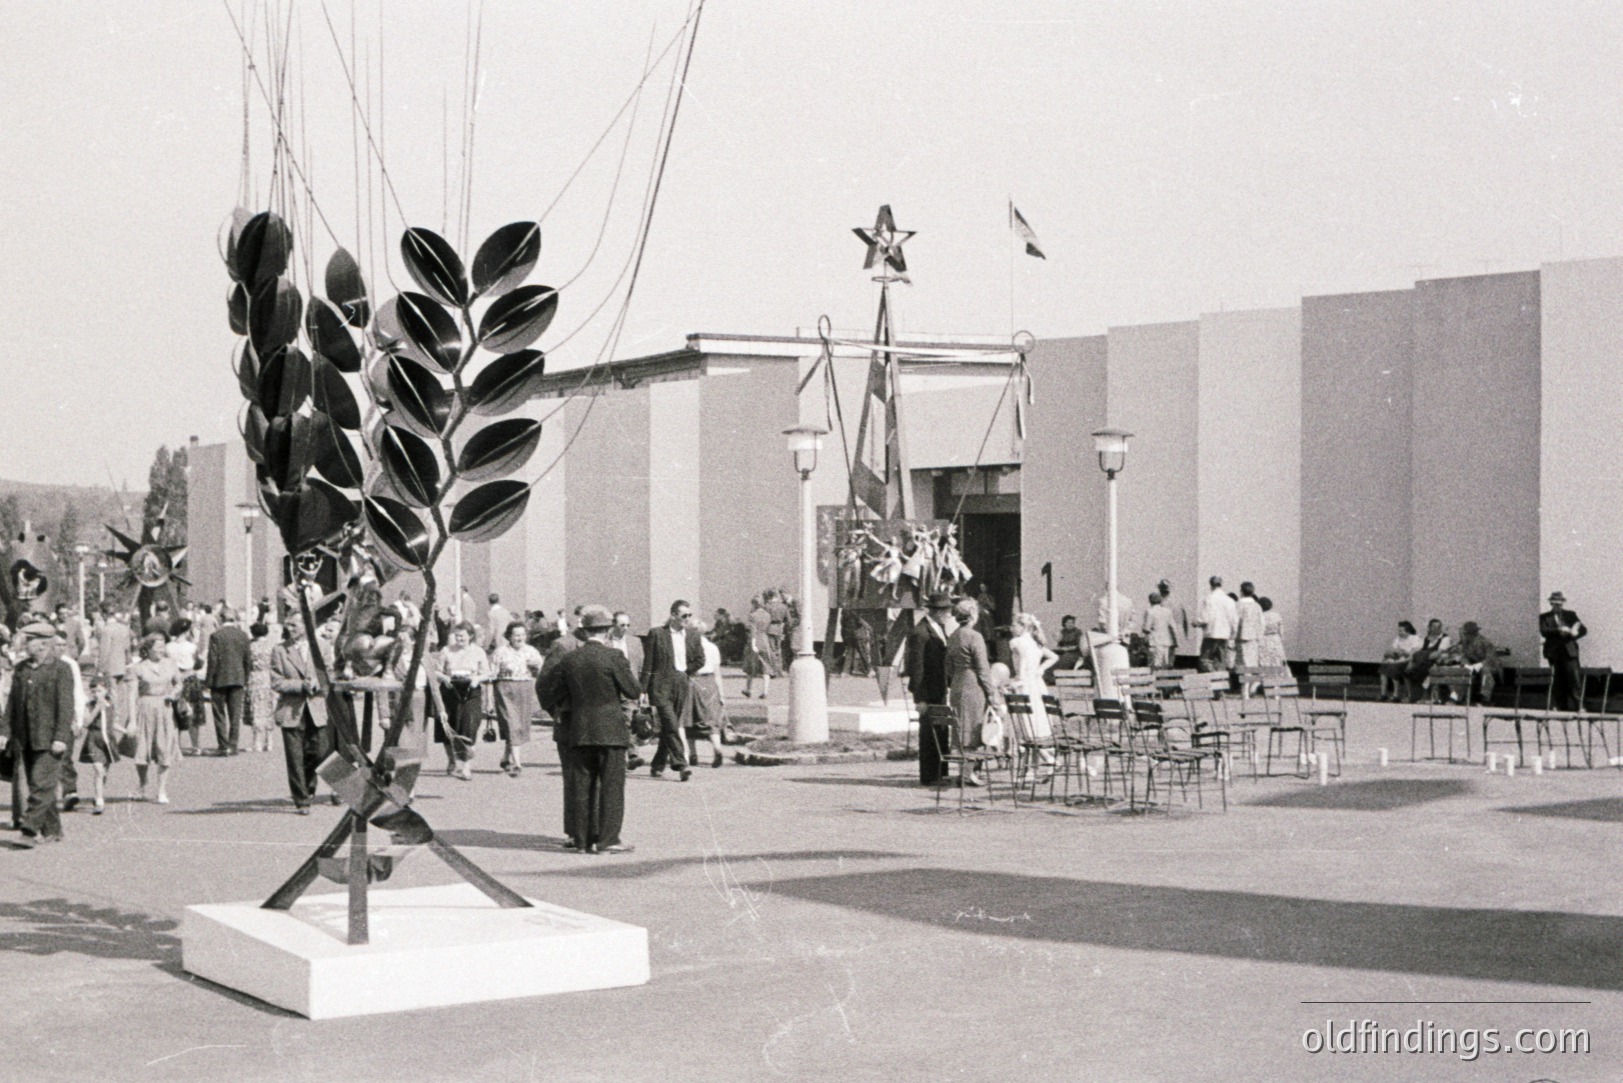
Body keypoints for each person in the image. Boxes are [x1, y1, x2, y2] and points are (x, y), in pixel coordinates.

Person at [537, 605, 641, 854]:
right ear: (607, 631)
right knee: (611, 787)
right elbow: (633, 691)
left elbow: (551, 691)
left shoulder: (570, 658)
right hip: (611, 731)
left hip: (579, 730)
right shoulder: (614, 657)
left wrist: (562, 712)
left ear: (584, 632)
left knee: (582, 785)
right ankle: (608, 840)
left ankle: (582, 841)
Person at [1, 622, 76, 845]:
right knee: (39, 783)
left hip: (51, 739)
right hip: (25, 738)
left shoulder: (60, 669)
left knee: (42, 784)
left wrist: (61, 737)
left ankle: (30, 829)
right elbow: (12, 704)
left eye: (29, 640)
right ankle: (53, 830)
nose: (25, 644)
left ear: (43, 644)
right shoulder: (22, 668)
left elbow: (66, 706)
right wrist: (4, 732)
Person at [269, 620, 333, 813]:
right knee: (295, 756)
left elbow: (330, 673)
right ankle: (301, 799)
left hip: (316, 708)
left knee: (319, 752)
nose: (290, 628)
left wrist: (319, 683)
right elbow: (276, 681)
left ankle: (309, 787)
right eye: (288, 624)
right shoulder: (280, 650)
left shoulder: (322, 646)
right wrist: (300, 686)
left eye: (295, 624)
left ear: (307, 625)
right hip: (291, 709)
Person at [640, 600, 703, 781]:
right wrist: (643, 689)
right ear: (673, 615)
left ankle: (658, 764)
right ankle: (681, 764)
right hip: (660, 685)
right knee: (671, 723)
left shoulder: (693, 635)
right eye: (684, 615)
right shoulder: (657, 634)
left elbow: (700, 659)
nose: (688, 619)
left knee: (670, 726)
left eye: (690, 615)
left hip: (681, 684)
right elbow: (648, 663)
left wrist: (685, 672)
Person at [946, 597, 998, 786]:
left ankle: (964, 771)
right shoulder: (975, 636)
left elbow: (948, 667)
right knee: (975, 729)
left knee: (961, 728)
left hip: (958, 685)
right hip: (973, 685)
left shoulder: (953, 636)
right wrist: (991, 693)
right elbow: (983, 668)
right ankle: (969, 773)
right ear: (972, 615)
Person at [903, 592, 953, 786]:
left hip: (939, 689)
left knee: (941, 731)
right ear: (933, 611)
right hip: (927, 691)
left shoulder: (939, 629)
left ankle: (941, 773)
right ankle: (930, 775)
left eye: (947, 609)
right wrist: (919, 698)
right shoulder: (920, 633)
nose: (947, 613)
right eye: (943, 610)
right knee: (929, 733)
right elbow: (916, 668)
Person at [129, 632, 181, 804]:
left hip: (164, 710)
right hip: (144, 709)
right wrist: (132, 719)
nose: (161, 650)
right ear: (148, 649)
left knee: (164, 749)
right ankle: (142, 782)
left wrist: (173, 693)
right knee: (142, 750)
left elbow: (179, 683)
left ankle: (161, 790)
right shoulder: (139, 667)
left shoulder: (170, 664)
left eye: (163, 646)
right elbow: (132, 695)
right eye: (157, 647)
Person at [435, 622, 490, 780]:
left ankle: (466, 767)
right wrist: (445, 678)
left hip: (471, 693)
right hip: (450, 692)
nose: (459, 639)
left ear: (471, 636)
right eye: (457, 636)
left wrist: (477, 678)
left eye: (463, 636)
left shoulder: (478, 652)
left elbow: (487, 673)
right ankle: (452, 760)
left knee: (469, 727)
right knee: (447, 729)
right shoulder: (446, 650)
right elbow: (436, 671)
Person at [489, 621, 542, 777]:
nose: (520, 638)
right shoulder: (500, 652)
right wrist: (488, 699)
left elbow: (540, 672)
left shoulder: (531, 651)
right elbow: (491, 675)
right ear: (509, 636)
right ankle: (517, 764)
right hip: (505, 689)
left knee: (518, 726)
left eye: (522, 634)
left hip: (524, 688)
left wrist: (536, 667)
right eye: (516, 635)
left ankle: (506, 758)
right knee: (511, 724)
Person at [204, 606, 252, 756]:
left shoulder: (216, 636)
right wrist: (246, 677)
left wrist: (208, 681)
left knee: (219, 714)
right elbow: (248, 659)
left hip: (219, 678)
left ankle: (223, 746)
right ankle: (233, 745)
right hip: (238, 678)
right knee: (235, 714)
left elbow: (213, 660)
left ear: (221, 618)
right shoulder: (243, 635)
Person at [1008, 612, 1059, 750]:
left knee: (1024, 719)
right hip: (1037, 684)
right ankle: (1039, 753)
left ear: (1023, 627)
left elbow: (1023, 661)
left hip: (1025, 683)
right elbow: (1054, 657)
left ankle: (1026, 750)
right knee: (1036, 718)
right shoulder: (1035, 643)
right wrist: (1040, 669)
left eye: (1014, 625)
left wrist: (1019, 679)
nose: (1011, 628)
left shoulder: (1016, 642)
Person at [686, 620, 728, 768]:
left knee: (689, 717)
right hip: (710, 682)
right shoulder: (713, 647)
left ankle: (692, 754)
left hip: (693, 681)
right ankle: (717, 748)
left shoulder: (687, 647)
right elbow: (718, 673)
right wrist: (722, 695)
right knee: (711, 717)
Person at [1539, 591, 1587, 711]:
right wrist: (1559, 630)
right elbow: (1544, 631)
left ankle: (1579, 706)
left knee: (1574, 679)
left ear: (1563, 603)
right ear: (1551, 603)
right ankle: (1561, 706)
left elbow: (1583, 630)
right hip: (1554, 652)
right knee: (1557, 680)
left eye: (1560, 604)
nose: (1558, 606)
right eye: (1555, 604)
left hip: (1569, 651)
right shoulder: (1544, 617)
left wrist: (1574, 633)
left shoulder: (1571, 615)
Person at [76, 674, 116, 814]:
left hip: (107, 740)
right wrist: (97, 709)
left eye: (99, 691)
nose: (96, 694)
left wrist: (126, 730)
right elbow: (86, 722)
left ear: (106, 690)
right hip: (94, 739)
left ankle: (98, 794)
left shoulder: (111, 704)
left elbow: (112, 723)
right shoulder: (89, 705)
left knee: (104, 771)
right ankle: (99, 801)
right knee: (98, 769)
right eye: (93, 691)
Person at [166, 618, 205, 755]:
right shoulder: (192, 647)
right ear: (188, 631)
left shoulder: (168, 647)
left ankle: (176, 745)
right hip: (189, 679)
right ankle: (196, 745)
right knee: (193, 713)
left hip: (173, 681)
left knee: (175, 713)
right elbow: (198, 663)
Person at [1445, 620, 1502, 704]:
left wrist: (1477, 666)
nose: (1464, 636)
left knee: (1485, 671)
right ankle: (1456, 696)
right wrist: (1466, 665)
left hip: (1491, 667)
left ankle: (1484, 697)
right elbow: (1464, 656)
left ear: (1472, 633)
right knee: (1457, 671)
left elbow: (1490, 659)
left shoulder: (1485, 642)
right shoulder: (1466, 643)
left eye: (1466, 634)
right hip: (1473, 666)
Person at [1195, 576, 1238, 675]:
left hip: (1211, 634)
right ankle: (1220, 685)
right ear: (1221, 584)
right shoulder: (1229, 600)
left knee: (1205, 660)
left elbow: (1205, 618)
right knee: (1221, 661)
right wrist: (1233, 634)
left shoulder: (1209, 598)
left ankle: (1210, 678)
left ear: (1210, 584)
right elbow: (1233, 620)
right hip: (1224, 635)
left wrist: (1197, 623)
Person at [246, 622, 277, 751]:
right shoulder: (273, 646)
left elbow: (247, 662)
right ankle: (269, 741)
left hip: (255, 677)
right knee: (270, 708)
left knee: (256, 709)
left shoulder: (250, 646)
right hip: (269, 678)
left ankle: (257, 742)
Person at [1404, 619, 1451, 700]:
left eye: (1439, 627)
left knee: (1419, 670)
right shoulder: (1426, 639)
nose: (1438, 628)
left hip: (1434, 662)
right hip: (1422, 661)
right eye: (1434, 627)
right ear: (1429, 627)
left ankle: (1422, 697)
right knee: (1407, 670)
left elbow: (1437, 654)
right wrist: (1414, 659)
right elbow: (1417, 651)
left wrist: (1422, 655)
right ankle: (1411, 695)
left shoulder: (1445, 638)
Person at [1379, 621, 1422, 701]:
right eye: (1398, 631)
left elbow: (1412, 654)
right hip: (1398, 659)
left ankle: (1396, 694)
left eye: (1401, 631)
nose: (1399, 633)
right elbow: (1393, 649)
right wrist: (1393, 653)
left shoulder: (1415, 639)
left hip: (1407, 661)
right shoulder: (1398, 639)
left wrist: (1403, 652)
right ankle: (1383, 693)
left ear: (1408, 631)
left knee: (1393, 668)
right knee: (1384, 668)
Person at [742, 596, 773, 698]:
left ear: (754, 604)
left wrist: (753, 644)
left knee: (750, 666)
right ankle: (765, 691)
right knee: (766, 665)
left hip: (755, 641)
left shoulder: (752, 616)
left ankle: (748, 689)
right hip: (765, 640)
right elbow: (767, 629)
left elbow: (753, 631)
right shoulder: (768, 615)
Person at [1142, 594, 1178, 669]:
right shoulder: (1167, 611)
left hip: (1154, 642)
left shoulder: (1150, 611)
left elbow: (1146, 628)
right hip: (1166, 641)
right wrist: (1175, 641)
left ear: (1150, 601)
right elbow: (1173, 627)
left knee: (1153, 665)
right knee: (1164, 664)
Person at [1235, 583, 1264, 672]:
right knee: (1252, 661)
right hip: (1254, 638)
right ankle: (1250, 683)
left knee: (1242, 662)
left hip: (1241, 637)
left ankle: (1245, 684)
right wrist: (1259, 636)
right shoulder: (1257, 606)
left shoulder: (1238, 605)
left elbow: (1234, 621)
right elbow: (1262, 623)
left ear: (1241, 591)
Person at [763, 590, 788, 678]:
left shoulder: (767, 606)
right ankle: (779, 670)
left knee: (771, 650)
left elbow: (764, 618)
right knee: (779, 650)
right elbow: (787, 619)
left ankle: (772, 671)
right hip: (779, 629)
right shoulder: (783, 606)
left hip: (769, 628)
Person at [1258, 597, 1286, 669]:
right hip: (1275, 639)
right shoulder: (1277, 615)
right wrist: (1280, 641)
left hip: (1263, 640)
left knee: (1264, 659)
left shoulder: (1260, 616)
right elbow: (1281, 631)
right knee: (1276, 659)